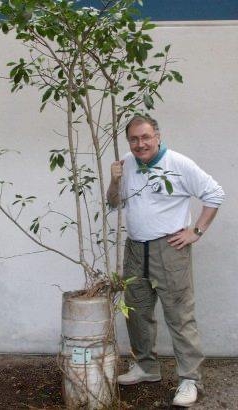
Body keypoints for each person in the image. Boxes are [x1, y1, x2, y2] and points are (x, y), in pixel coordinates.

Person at [107, 115, 225, 407]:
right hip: (135, 249)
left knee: (179, 315)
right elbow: (113, 202)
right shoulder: (127, 162)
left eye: (145, 137)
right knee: (136, 311)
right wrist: (114, 179)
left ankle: (189, 379)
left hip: (169, 250)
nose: (140, 144)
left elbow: (215, 194)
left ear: (157, 136)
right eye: (134, 139)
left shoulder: (178, 163)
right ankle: (147, 367)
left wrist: (196, 231)